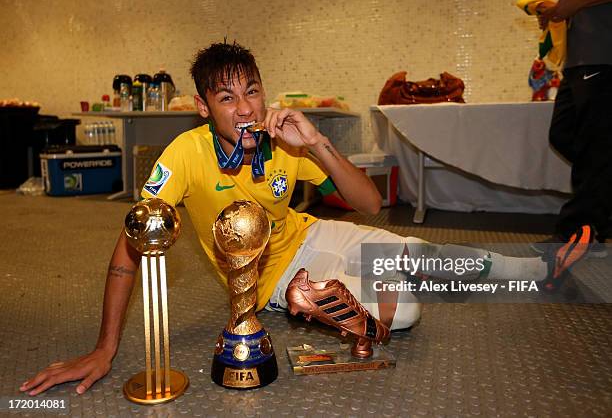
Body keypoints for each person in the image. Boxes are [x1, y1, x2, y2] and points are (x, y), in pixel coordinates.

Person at [20, 42, 591, 396]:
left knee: (414, 251)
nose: (244, 108)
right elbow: (130, 248)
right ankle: (318, 299)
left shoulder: (284, 140)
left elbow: (370, 203)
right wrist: (105, 349)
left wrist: (315, 144)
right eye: (226, 98)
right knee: (409, 309)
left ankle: (534, 269)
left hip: (316, 235)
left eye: (252, 91)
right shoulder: (186, 155)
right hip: (273, 280)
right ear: (202, 106)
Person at [531, 0, 612, 257]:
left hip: (603, 60)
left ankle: (578, 235)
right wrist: (560, 10)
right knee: (563, 135)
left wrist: (577, 2)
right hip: (578, 63)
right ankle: (598, 218)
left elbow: (586, 2)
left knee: (594, 150)